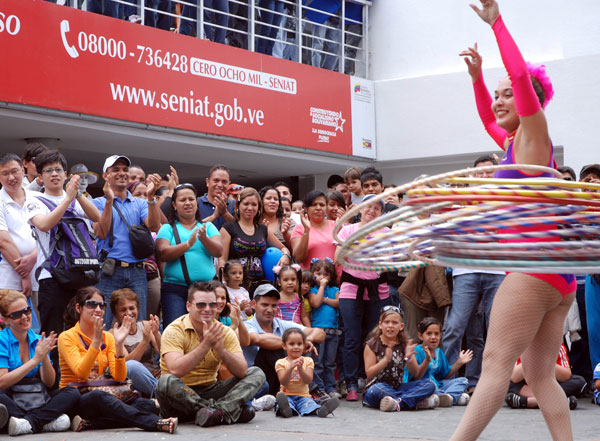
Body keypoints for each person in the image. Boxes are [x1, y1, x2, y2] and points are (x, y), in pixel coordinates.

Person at [451, 2, 576, 439]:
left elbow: (522, 78)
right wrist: (477, 80)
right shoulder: (514, 145)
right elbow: (487, 115)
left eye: (508, 94)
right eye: (498, 94)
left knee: (495, 366)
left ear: (528, 102)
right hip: (556, 275)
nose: (500, 100)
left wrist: (496, 24)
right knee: (540, 376)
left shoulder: (535, 131)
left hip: (533, 267)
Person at [58, 287, 177, 433]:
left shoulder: (108, 337)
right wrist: (95, 342)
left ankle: (91, 424)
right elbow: (81, 373)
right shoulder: (67, 337)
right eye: (91, 304)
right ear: (78, 308)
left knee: (145, 405)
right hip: (77, 398)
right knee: (99, 397)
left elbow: (119, 376)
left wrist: (119, 345)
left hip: (106, 394)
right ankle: (155, 423)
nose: (97, 309)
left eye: (101, 305)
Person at [156, 282, 265, 427]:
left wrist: (221, 350)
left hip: (210, 389)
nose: (207, 309)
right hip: (179, 395)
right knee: (166, 382)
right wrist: (206, 344)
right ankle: (226, 411)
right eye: (201, 305)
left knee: (256, 373)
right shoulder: (174, 330)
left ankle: (216, 412)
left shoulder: (224, 332)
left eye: (212, 305)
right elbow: (176, 370)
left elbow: (242, 371)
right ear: (189, 306)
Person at [26, 151, 101, 346]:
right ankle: (54, 376)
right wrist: (67, 200)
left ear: (66, 174)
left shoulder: (75, 198)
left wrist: (75, 195)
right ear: (40, 177)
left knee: (82, 332)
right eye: (48, 170)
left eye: (58, 169)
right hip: (51, 276)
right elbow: (43, 225)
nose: (54, 174)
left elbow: (96, 217)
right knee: (53, 334)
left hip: (80, 272)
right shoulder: (34, 199)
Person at [442, 157, 505, 389]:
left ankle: (486, 381)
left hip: (496, 271)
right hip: (465, 271)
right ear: (471, 177)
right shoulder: (459, 202)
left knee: (495, 327)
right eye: (480, 173)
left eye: (489, 173)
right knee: (455, 326)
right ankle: (445, 379)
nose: (484, 177)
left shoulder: (503, 199)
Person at [334, 195, 391, 401]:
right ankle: (350, 382)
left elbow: (392, 260)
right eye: (369, 207)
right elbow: (337, 257)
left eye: (377, 208)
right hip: (351, 289)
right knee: (351, 337)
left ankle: (370, 380)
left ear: (381, 212)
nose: (372, 211)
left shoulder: (386, 233)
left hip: (378, 290)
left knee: (374, 337)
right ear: (360, 208)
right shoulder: (348, 230)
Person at [93, 155, 162, 325]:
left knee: (138, 324)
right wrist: (110, 201)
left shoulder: (140, 203)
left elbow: (154, 226)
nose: (122, 173)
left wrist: (151, 197)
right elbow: (101, 233)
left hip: (137, 270)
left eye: (125, 169)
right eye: (115, 170)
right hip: (109, 270)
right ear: (105, 175)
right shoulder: (97, 202)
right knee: (105, 322)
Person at [0, 290, 79, 436]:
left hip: (37, 397)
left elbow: (49, 383)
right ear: (5, 319)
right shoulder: (2, 339)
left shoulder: (38, 338)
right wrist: (36, 359)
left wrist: (43, 358)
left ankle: (28, 422)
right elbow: (2, 382)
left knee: (72, 392)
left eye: (27, 311)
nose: (24, 317)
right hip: (10, 395)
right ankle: (43, 421)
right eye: (17, 314)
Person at [156, 183, 222, 327]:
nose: (187, 203)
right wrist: (187, 245)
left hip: (205, 289)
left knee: (205, 329)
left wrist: (204, 239)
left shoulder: (208, 227)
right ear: (174, 204)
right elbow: (163, 253)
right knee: (175, 330)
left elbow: (218, 251)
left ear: (197, 203)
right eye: (182, 200)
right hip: (175, 290)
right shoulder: (167, 228)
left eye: (191, 199)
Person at [242, 283, 325, 396]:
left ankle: (307, 391)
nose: (270, 310)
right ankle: (314, 391)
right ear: (253, 304)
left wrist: (307, 340)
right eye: (265, 305)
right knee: (271, 347)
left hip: (282, 379)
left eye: (274, 306)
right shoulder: (246, 325)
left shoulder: (282, 324)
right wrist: (294, 343)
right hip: (255, 380)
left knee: (308, 343)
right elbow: (257, 339)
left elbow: (320, 334)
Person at [362, 306, 438, 411]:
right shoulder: (372, 344)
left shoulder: (404, 344)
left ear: (401, 326)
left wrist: (409, 358)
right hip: (377, 389)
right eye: (387, 322)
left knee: (430, 384)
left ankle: (398, 403)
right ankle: (414, 402)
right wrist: (385, 360)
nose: (390, 326)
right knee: (377, 389)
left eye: (394, 323)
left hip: (397, 387)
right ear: (380, 325)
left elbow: (416, 375)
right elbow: (369, 373)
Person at [219, 187, 291, 292]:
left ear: (259, 207)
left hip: (261, 286)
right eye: (246, 204)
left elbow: (284, 249)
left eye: (254, 204)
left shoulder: (262, 229)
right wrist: (222, 284)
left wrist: (285, 256)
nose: (250, 208)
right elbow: (222, 259)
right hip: (235, 286)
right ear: (238, 205)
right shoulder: (228, 228)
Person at [404, 318, 472, 407]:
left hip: (437, 385)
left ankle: (446, 398)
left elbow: (445, 375)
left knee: (463, 381)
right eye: (429, 333)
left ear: (440, 336)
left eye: (436, 334)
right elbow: (416, 377)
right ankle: (452, 397)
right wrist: (427, 360)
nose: (433, 337)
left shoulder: (438, 351)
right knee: (431, 386)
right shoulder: (417, 351)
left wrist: (459, 362)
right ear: (420, 336)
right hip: (423, 386)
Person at [0, 154, 40, 306]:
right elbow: (3, 242)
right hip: (9, 280)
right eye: (5, 174)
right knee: (10, 326)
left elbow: (50, 234)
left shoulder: (37, 197)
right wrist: (24, 275)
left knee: (41, 327)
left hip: (41, 274)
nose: (11, 178)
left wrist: (33, 257)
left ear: (23, 170)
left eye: (14, 171)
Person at [275, 328, 340, 418]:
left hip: (304, 396)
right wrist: (290, 368)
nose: (296, 347)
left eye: (299, 344)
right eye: (291, 344)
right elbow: (283, 382)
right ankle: (286, 410)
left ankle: (320, 411)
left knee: (309, 404)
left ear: (304, 345)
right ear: (284, 346)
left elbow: (308, 380)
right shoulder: (280, 362)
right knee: (285, 403)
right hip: (287, 396)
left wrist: (301, 369)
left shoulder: (308, 361)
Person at [109, 288, 161, 398]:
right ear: (116, 314)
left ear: (137, 309)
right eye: (123, 310)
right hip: (131, 382)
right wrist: (144, 341)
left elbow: (164, 353)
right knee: (131, 366)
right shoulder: (113, 334)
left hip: (153, 376)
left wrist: (156, 334)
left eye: (132, 308)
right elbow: (127, 365)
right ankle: (165, 395)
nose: (129, 313)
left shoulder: (146, 325)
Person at [505, 343, 585, 410]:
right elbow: (515, 377)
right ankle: (556, 401)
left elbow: (566, 375)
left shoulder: (556, 344)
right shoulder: (519, 345)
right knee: (504, 381)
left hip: (550, 383)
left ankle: (527, 402)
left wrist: (545, 361)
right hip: (527, 385)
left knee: (579, 381)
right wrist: (531, 359)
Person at [160, 165, 235, 231]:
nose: (220, 185)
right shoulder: (195, 203)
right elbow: (188, 229)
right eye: (216, 180)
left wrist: (225, 213)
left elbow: (242, 230)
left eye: (224, 182)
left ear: (229, 184)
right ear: (207, 182)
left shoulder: (235, 205)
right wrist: (213, 217)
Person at [308, 259, 340, 399]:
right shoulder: (312, 290)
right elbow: (315, 303)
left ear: (331, 276)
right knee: (318, 362)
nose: (322, 277)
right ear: (312, 274)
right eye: (318, 273)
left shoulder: (335, 290)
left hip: (333, 330)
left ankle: (331, 387)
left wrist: (325, 299)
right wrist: (321, 287)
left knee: (330, 362)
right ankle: (320, 388)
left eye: (326, 274)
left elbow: (338, 303)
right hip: (318, 331)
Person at [291, 191, 336, 270]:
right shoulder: (299, 229)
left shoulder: (336, 225)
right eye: (314, 205)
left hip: (336, 279)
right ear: (306, 209)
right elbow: (298, 257)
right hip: (310, 279)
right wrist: (306, 231)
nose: (318, 208)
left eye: (322, 205)